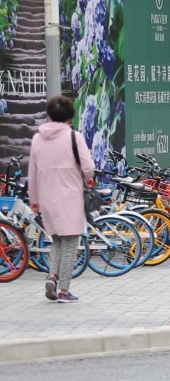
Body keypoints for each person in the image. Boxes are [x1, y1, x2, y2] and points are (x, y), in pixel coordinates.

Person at [29, 96, 95, 303]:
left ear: (49, 114)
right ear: (70, 115)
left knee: (56, 240)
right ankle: (64, 291)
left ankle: (52, 276)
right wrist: (86, 178)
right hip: (71, 197)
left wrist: (35, 200)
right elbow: (88, 168)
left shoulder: (37, 139)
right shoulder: (74, 137)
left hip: (48, 198)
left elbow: (33, 173)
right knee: (71, 243)